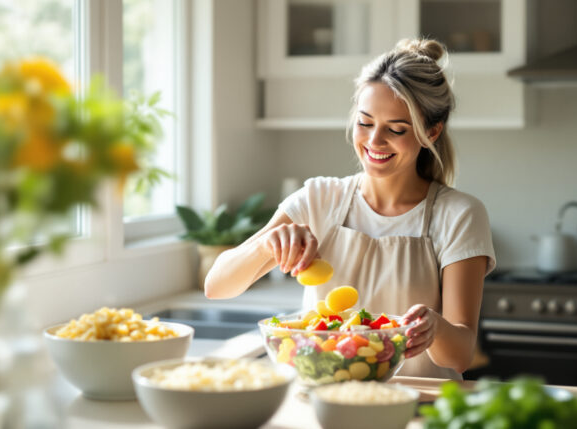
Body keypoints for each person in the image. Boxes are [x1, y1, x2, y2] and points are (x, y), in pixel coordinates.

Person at [204, 38, 495, 379]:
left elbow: (459, 354)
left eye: (396, 129)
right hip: (325, 402)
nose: (374, 142)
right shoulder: (319, 198)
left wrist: (437, 329)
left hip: (415, 405)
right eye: (365, 122)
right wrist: (267, 244)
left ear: (431, 131)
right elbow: (216, 286)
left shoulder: (459, 214)